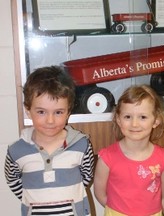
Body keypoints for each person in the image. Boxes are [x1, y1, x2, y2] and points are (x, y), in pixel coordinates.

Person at [4, 66, 95, 216]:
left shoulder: (82, 145)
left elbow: (86, 178)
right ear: (28, 110)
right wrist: (33, 204)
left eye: (58, 112)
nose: (50, 120)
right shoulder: (16, 150)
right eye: (41, 112)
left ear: (68, 112)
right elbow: (13, 181)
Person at [94, 85, 164, 216]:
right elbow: (100, 193)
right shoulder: (107, 158)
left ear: (156, 121)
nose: (134, 124)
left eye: (142, 117)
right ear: (118, 120)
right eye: (127, 117)